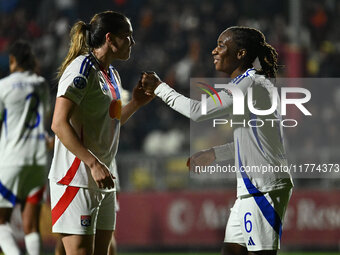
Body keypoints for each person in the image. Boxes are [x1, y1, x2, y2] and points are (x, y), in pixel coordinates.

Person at [141, 26, 293, 255]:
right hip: (251, 188)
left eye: (221, 45)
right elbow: (252, 141)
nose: (214, 50)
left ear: (240, 54)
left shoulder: (249, 84)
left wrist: (161, 88)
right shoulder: (251, 83)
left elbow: (198, 111)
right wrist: (215, 153)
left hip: (263, 187)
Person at [49, 10, 154, 255]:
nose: (132, 42)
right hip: (76, 180)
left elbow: (112, 122)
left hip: (103, 178)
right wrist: (93, 164)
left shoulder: (112, 75)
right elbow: (58, 123)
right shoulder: (82, 68)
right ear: (110, 38)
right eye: (127, 36)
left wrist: (136, 103)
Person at [0, 40, 51, 255]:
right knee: (31, 227)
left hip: (11, 159)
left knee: (1, 223)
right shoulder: (41, 84)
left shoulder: (3, 86)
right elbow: (45, 116)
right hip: (38, 160)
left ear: (12, 61)